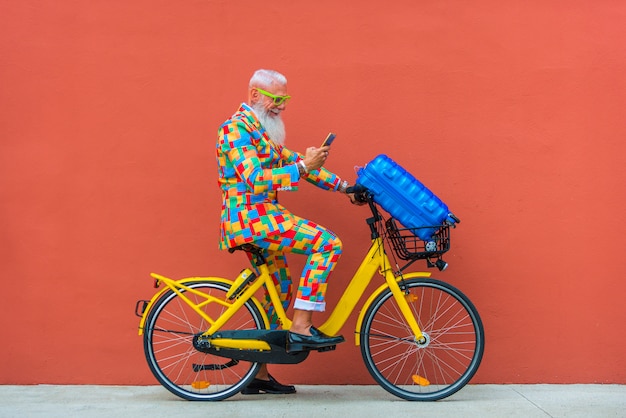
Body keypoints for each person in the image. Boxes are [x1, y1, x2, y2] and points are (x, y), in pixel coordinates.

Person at [216, 69, 359, 394]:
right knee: (327, 243)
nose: (281, 106)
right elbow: (256, 178)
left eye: (285, 100)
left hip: (264, 216)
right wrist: (302, 167)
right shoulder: (235, 129)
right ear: (254, 95)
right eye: (276, 99)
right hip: (250, 218)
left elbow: (300, 166)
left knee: (279, 289)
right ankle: (301, 325)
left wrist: (346, 188)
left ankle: (258, 375)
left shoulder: (261, 134)